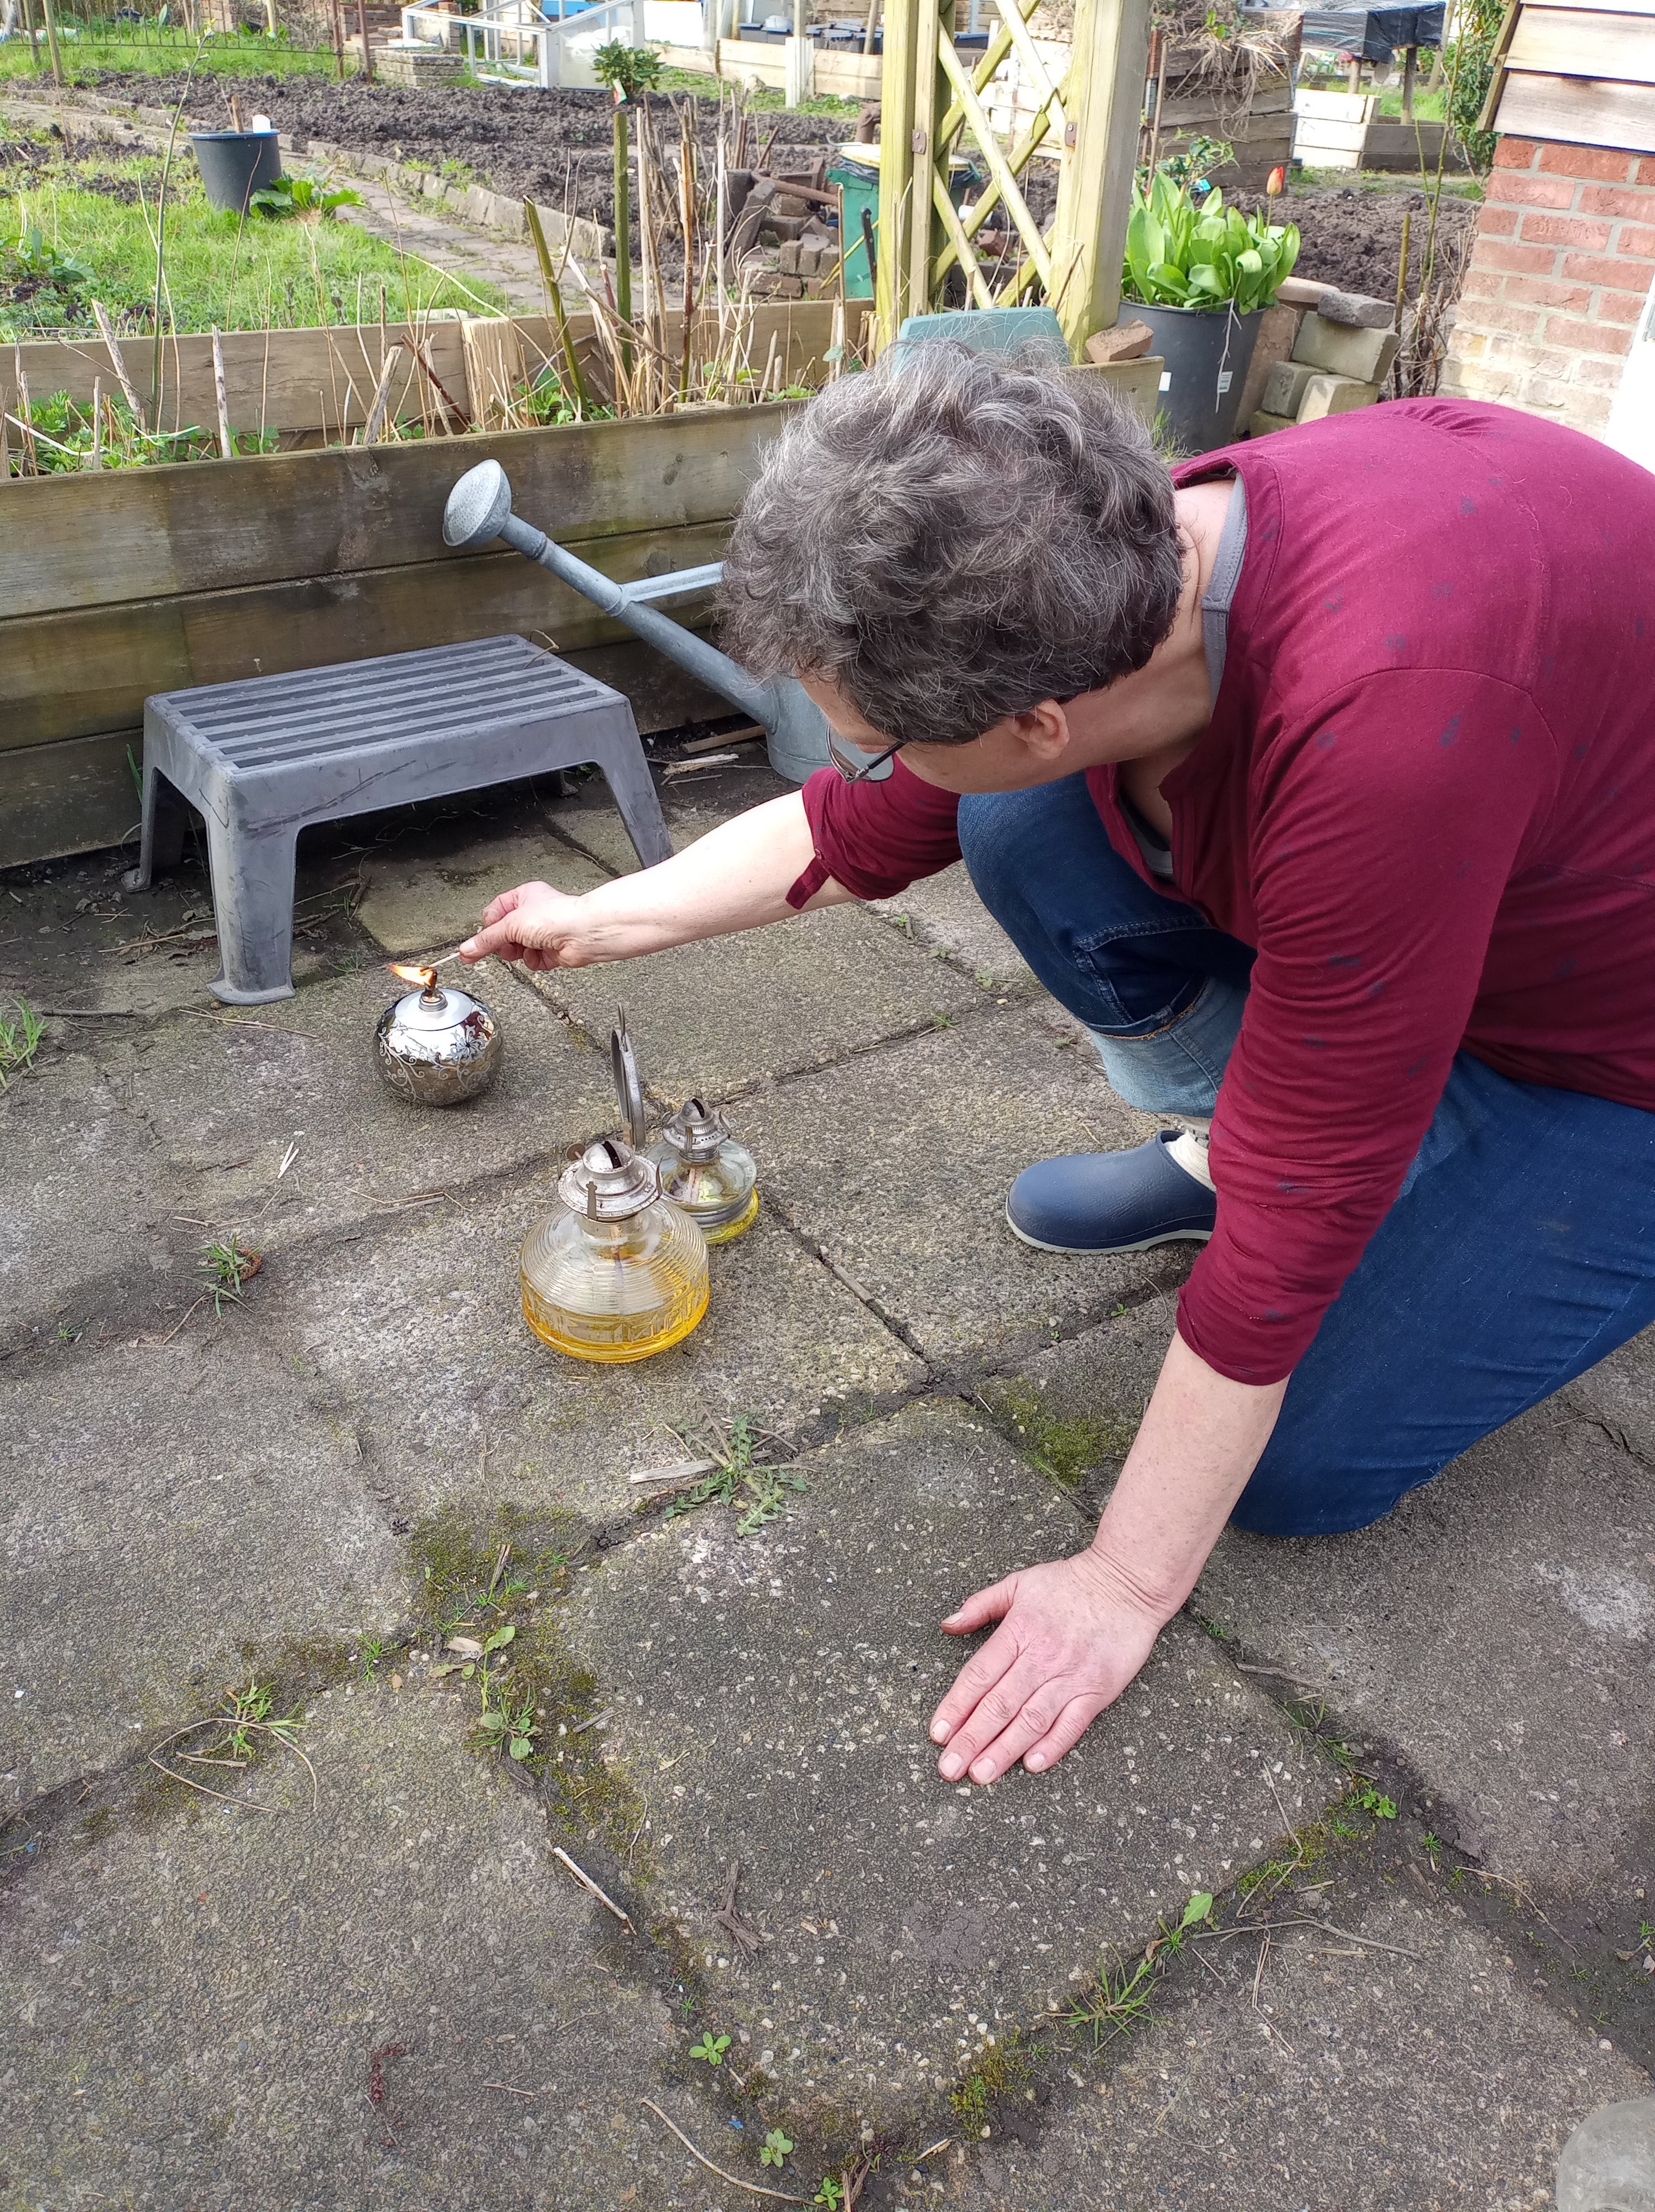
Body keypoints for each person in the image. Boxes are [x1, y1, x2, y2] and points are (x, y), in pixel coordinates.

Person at [461, 345, 1655, 1792]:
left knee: (1300, 1465)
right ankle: (1286, 1124)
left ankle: (1385, 1139)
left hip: (1611, 1057)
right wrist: (600, 920)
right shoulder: (1121, 561)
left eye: (874, 739)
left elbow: (1305, 1207)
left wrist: (1125, 1583)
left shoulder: (1381, 735)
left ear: (1037, 722)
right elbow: (860, 828)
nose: (863, 761)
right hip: (1451, 901)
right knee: (1020, 827)